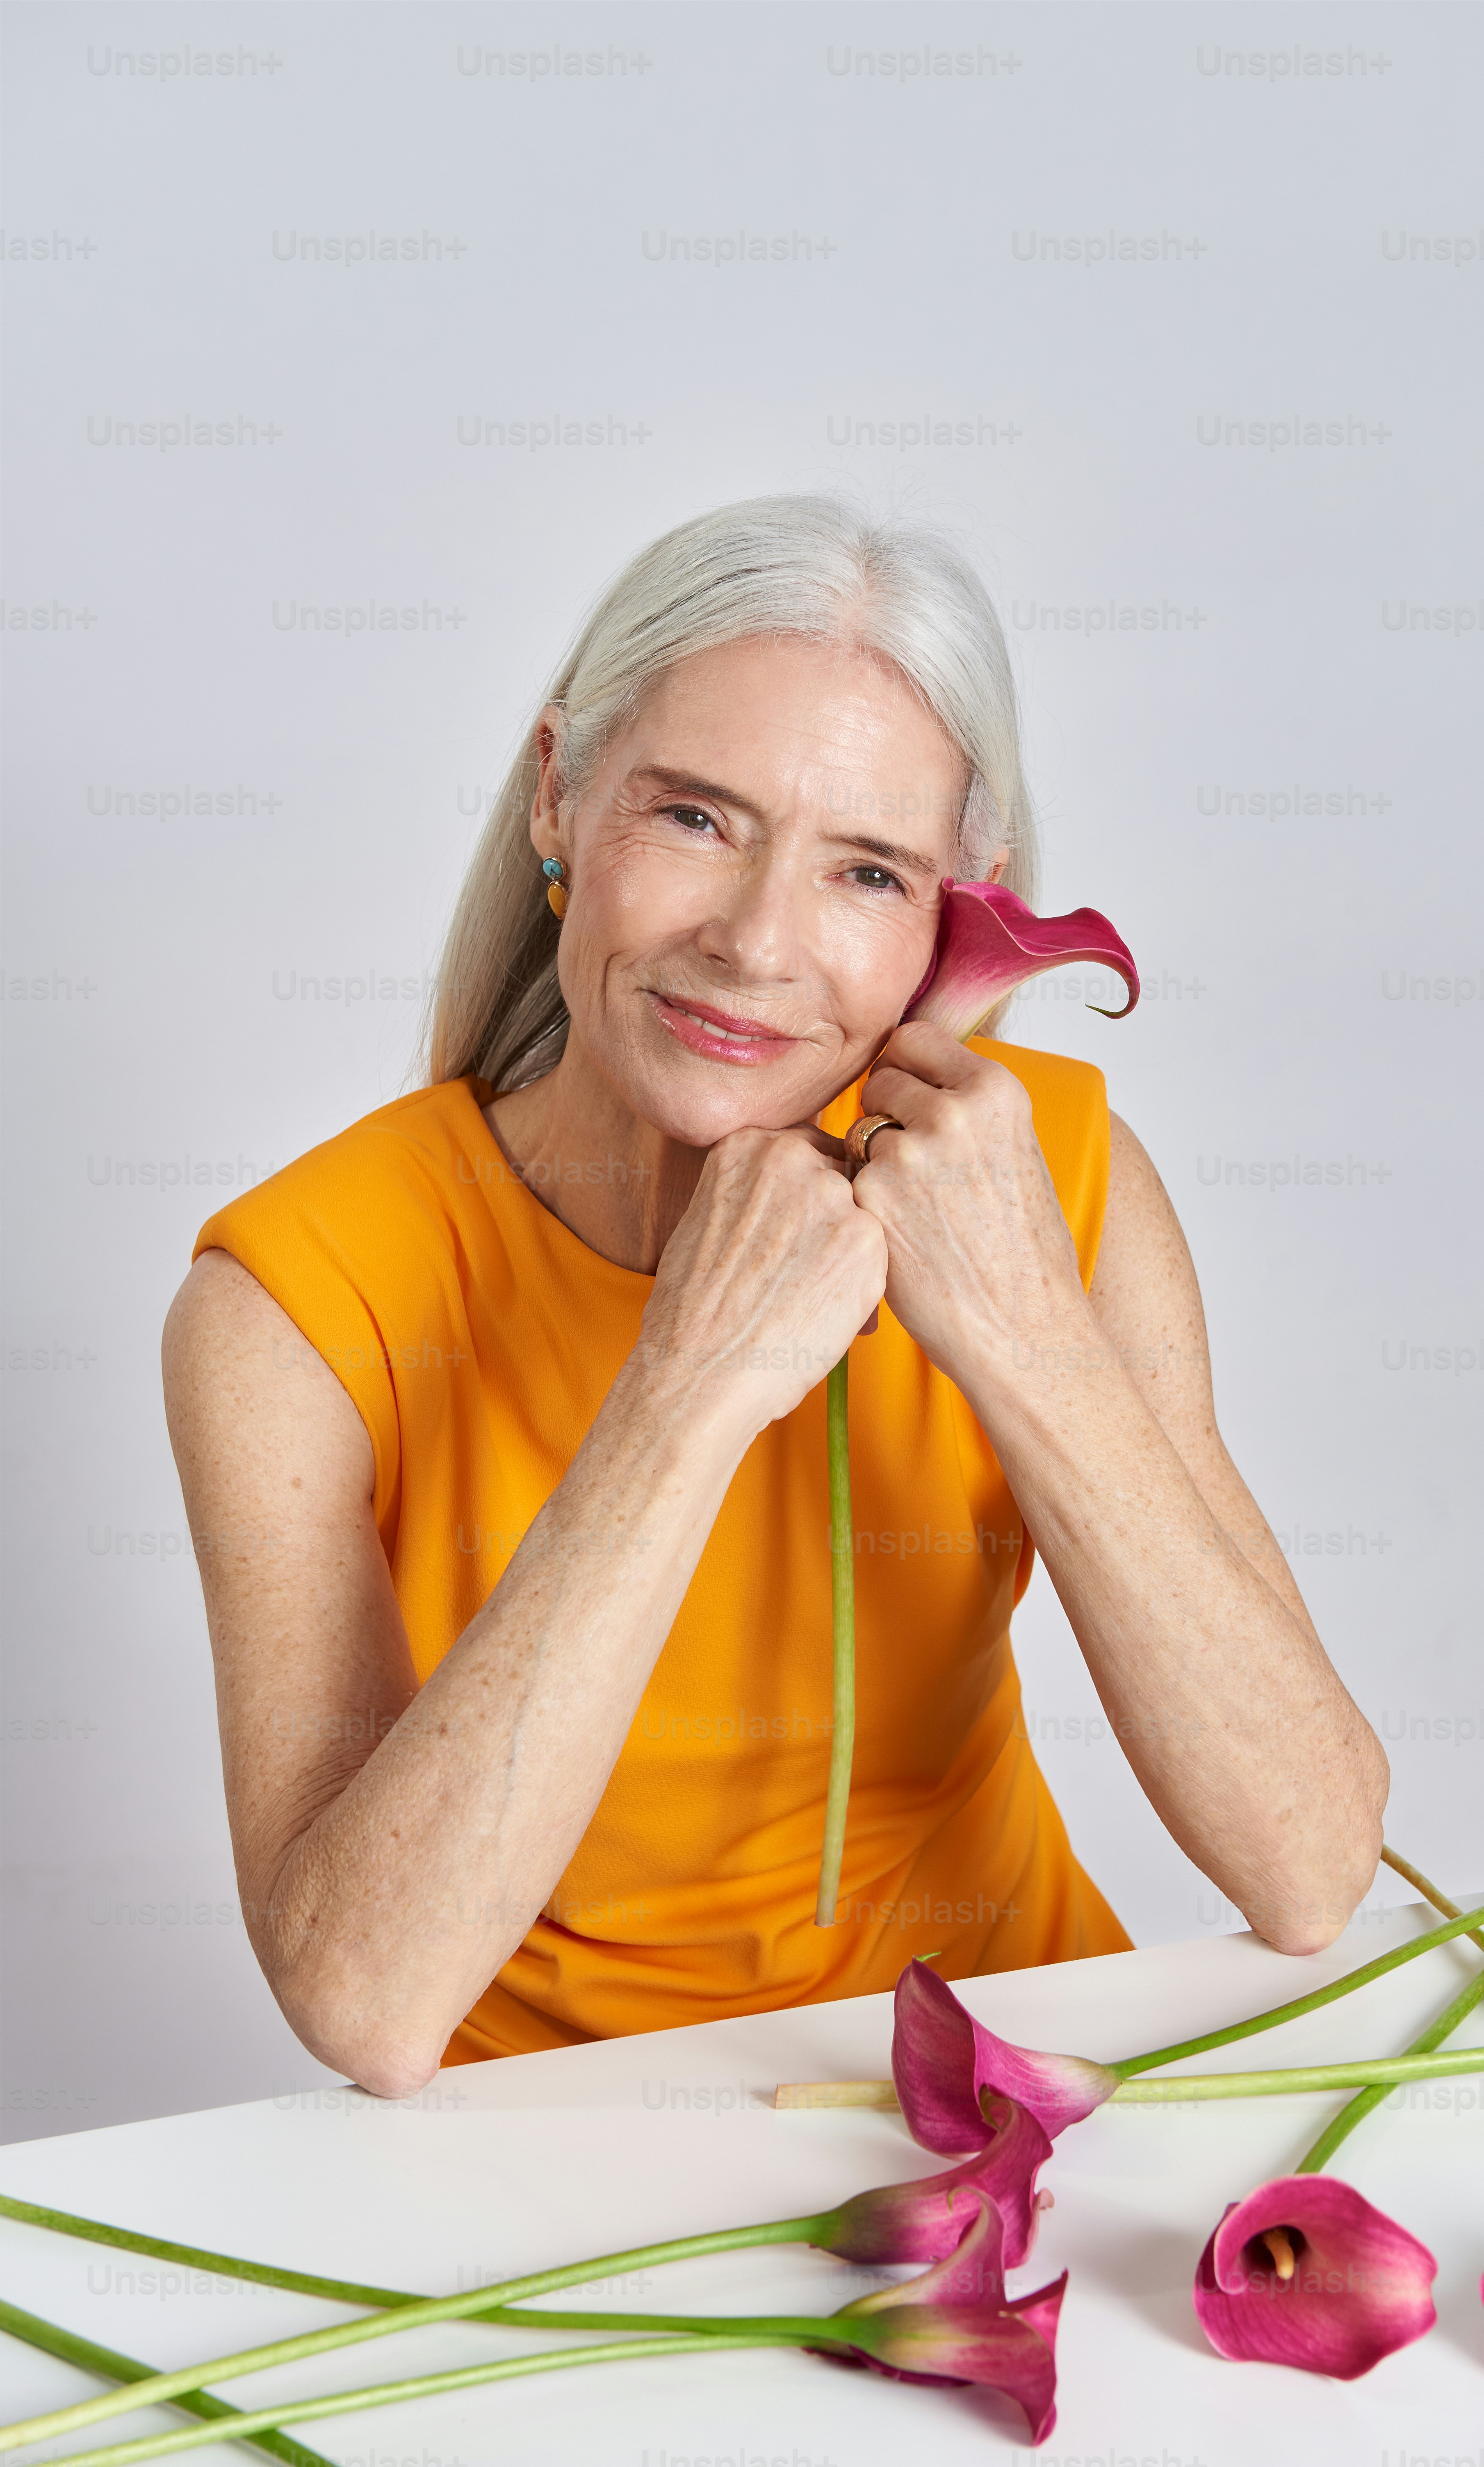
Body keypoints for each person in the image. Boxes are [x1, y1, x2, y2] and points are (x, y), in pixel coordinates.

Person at [162, 497, 1387, 2099]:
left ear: (959, 899)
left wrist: (1019, 1329)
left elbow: (1305, 1858)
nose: (754, 944)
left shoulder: (1063, 1180)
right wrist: (684, 1387)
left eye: (864, 871)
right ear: (559, 794)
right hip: (544, 2152)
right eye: (691, 819)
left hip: (1001, 2096)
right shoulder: (295, 1299)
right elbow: (366, 1998)